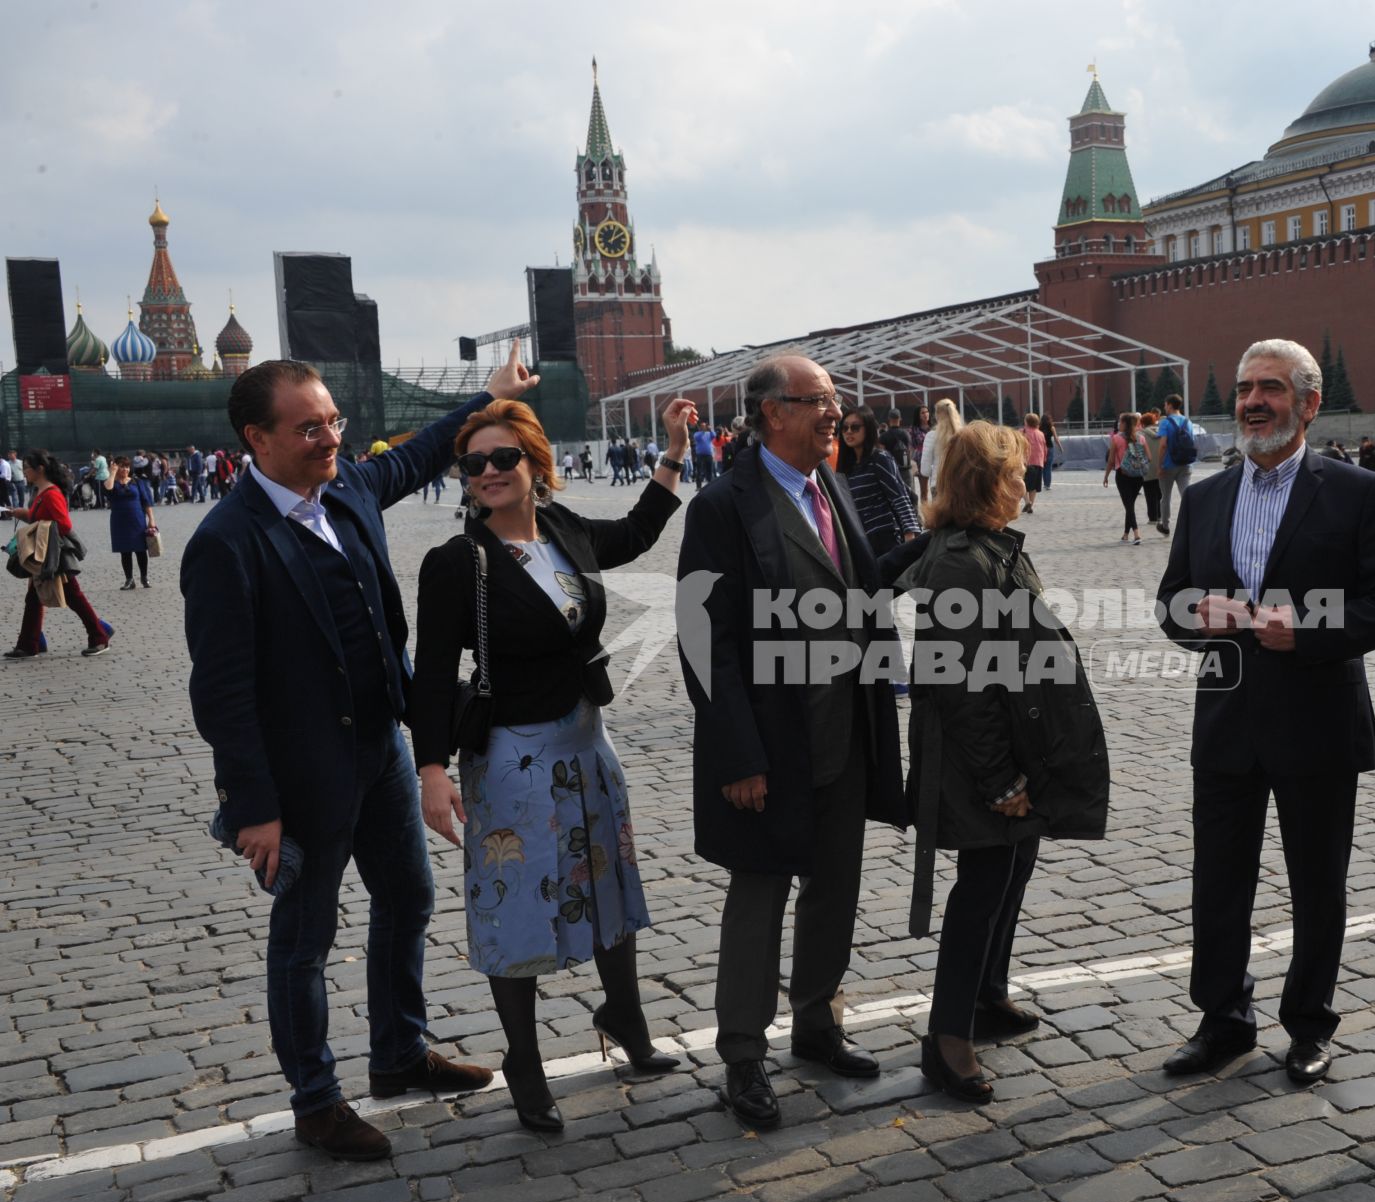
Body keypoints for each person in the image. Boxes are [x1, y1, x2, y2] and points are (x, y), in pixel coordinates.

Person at [180, 344, 540, 1159]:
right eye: (309, 428)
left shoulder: (344, 489)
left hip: (379, 746)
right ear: (256, 439)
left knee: (408, 897)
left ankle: (399, 1052)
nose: (330, 437)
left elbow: (414, 456)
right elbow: (223, 696)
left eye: (334, 420)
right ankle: (316, 1100)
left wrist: (485, 398)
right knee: (304, 941)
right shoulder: (226, 542)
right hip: (302, 775)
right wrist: (254, 810)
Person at [411, 398, 690, 1131]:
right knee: (518, 901)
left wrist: (673, 452)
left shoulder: (564, 530)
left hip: (588, 746)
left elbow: (630, 535)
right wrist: (430, 769)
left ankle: (625, 1018)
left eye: (504, 458)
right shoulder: (457, 562)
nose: (489, 473)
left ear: (537, 464)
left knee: (610, 887)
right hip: (512, 757)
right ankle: (524, 1061)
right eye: (474, 464)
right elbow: (433, 671)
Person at [1155, 338, 1375, 1084]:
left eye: (1270, 387)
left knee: (1317, 883)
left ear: (1308, 402)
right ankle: (1223, 1020)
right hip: (1228, 723)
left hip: (1320, 722)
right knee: (1219, 881)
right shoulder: (1205, 497)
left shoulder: (1358, 492)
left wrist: (1304, 630)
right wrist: (1194, 615)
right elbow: (1170, 605)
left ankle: (1309, 1024)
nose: (1252, 401)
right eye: (1244, 388)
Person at [675, 352, 908, 1131]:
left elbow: (862, 590)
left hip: (844, 734)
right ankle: (743, 1053)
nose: (834, 412)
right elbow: (703, 641)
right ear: (773, 412)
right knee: (760, 894)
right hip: (770, 744)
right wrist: (738, 755)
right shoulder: (721, 506)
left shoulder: (831, 483)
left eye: (836, 399)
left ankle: (817, 1022)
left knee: (835, 883)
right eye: (820, 401)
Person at [893, 423, 1108, 1101]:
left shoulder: (992, 547)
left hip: (1014, 747)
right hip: (974, 761)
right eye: (1015, 474)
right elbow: (960, 684)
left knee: (1012, 869)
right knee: (981, 888)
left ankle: (986, 995)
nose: (1025, 482)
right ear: (986, 485)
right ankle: (947, 1034)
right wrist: (1000, 779)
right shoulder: (961, 560)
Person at [5, 450, 112, 658]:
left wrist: (41, 531)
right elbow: (40, 517)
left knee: (74, 597)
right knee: (35, 599)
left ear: (40, 469)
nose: (24, 472)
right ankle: (28, 644)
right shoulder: (40, 492)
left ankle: (99, 636)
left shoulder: (51, 493)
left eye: (26, 468)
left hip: (54, 555)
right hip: (46, 554)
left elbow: (63, 524)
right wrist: (21, 514)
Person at [835, 405, 922, 557]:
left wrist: (910, 536)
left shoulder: (879, 458)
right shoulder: (846, 468)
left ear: (867, 429)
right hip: (861, 542)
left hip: (886, 538)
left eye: (855, 427)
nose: (848, 432)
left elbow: (899, 496)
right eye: (845, 428)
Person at [104, 456, 157, 589]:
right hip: (119, 521)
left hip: (137, 520)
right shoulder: (111, 482)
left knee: (140, 550)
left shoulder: (137, 482)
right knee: (125, 551)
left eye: (127, 466)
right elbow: (108, 489)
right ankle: (129, 580)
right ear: (116, 467)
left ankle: (144, 578)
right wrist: (112, 473)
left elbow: (146, 502)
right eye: (122, 466)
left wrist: (151, 519)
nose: (125, 469)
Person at [1102, 412, 1152, 544]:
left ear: (1124, 424)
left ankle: (1136, 534)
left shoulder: (1117, 439)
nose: (1119, 424)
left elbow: (1111, 460)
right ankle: (1125, 534)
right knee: (1130, 505)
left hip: (1122, 475)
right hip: (1138, 476)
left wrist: (1106, 476)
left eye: (1120, 422)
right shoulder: (1141, 438)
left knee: (1129, 505)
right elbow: (1149, 457)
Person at [1156, 395, 1198, 534]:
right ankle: (1193, 522)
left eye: (1165, 405)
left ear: (1169, 405)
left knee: (1166, 497)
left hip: (1168, 465)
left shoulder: (1165, 423)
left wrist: (1159, 465)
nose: (1164, 407)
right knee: (1186, 494)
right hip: (1186, 464)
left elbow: (1163, 445)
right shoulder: (1188, 422)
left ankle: (1165, 526)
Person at [920, 398, 961, 499]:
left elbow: (925, 471)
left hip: (938, 485)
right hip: (960, 486)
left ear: (937, 415)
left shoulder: (931, 436)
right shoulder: (963, 436)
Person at [1020, 413, 1047, 514]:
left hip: (1025, 462)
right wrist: (1044, 459)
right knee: (1034, 487)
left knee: (1022, 484)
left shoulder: (1022, 432)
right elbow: (1044, 449)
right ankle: (1030, 505)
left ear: (1026, 422)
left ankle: (1027, 501)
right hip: (1038, 462)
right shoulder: (1041, 434)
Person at [880, 407, 913, 478]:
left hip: (890, 470)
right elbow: (909, 451)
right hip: (905, 470)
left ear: (889, 419)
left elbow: (881, 454)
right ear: (900, 419)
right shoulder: (906, 434)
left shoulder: (884, 436)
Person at [909, 404, 932, 502]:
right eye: (922, 413)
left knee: (937, 489)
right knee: (924, 491)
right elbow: (910, 447)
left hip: (935, 459)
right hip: (921, 460)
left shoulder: (934, 427)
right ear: (918, 415)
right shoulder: (913, 429)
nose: (925, 414)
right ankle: (925, 515)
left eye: (926, 412)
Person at [691, 418, 715, 488]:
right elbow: (698, 437)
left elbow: (714, 436)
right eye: (702, 426)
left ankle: (710, 485)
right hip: (700, 455)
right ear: (700, 427)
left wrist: (710, 430)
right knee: (699, 471)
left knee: (709, 470)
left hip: (708, 454)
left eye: (704, 426)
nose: (704, 427)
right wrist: (703, 431)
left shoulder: (708, 433)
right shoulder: (697, 434)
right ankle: (698, 486)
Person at [1040, 413, 1060, 490]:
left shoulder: (1039, 428)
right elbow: (1056, 439)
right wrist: (1060, 447)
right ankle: (1047, 485)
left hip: (1041, 448)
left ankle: (1040, 483)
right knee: (1048, 467)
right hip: (1050, 448)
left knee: (1042, 467)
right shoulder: (1052, 428)